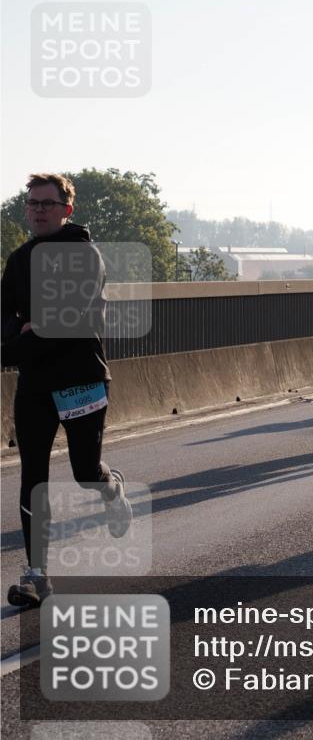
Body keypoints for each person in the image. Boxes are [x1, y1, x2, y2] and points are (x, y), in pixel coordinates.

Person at [1, 173, 131, 608]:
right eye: (31, 204)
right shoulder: (19, 260)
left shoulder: (85, 256)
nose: (37, 210)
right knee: (33, 477)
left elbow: (63, 323)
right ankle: (37, 575)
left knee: (83, 473)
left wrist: (24, 335)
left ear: (66, 210)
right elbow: (5, 318)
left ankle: (110, 488)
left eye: (46, 204)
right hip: (35, 382)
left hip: (80, 379)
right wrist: (18, 337)